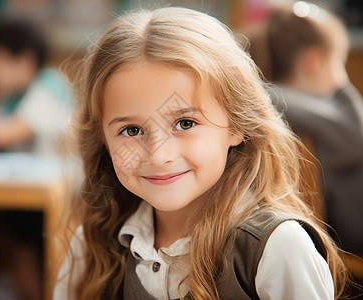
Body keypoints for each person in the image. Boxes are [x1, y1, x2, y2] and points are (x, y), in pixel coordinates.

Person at [53, 7, 349, 300]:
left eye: (185, 123)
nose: (158, 155)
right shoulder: (90, 245)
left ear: (235, 125)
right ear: (103, 139)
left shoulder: (277, 249)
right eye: (131, 130)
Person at [245, 3, 363, 256]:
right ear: (314, 60)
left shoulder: (272, 104)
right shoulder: (291, 106)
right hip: (351, 244)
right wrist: (342, 87)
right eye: (339, 62)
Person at [0, 18, 73, 156]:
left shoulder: (48, 87)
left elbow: (1, 136)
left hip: (49, 175)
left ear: (26, 61)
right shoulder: (12, 95)